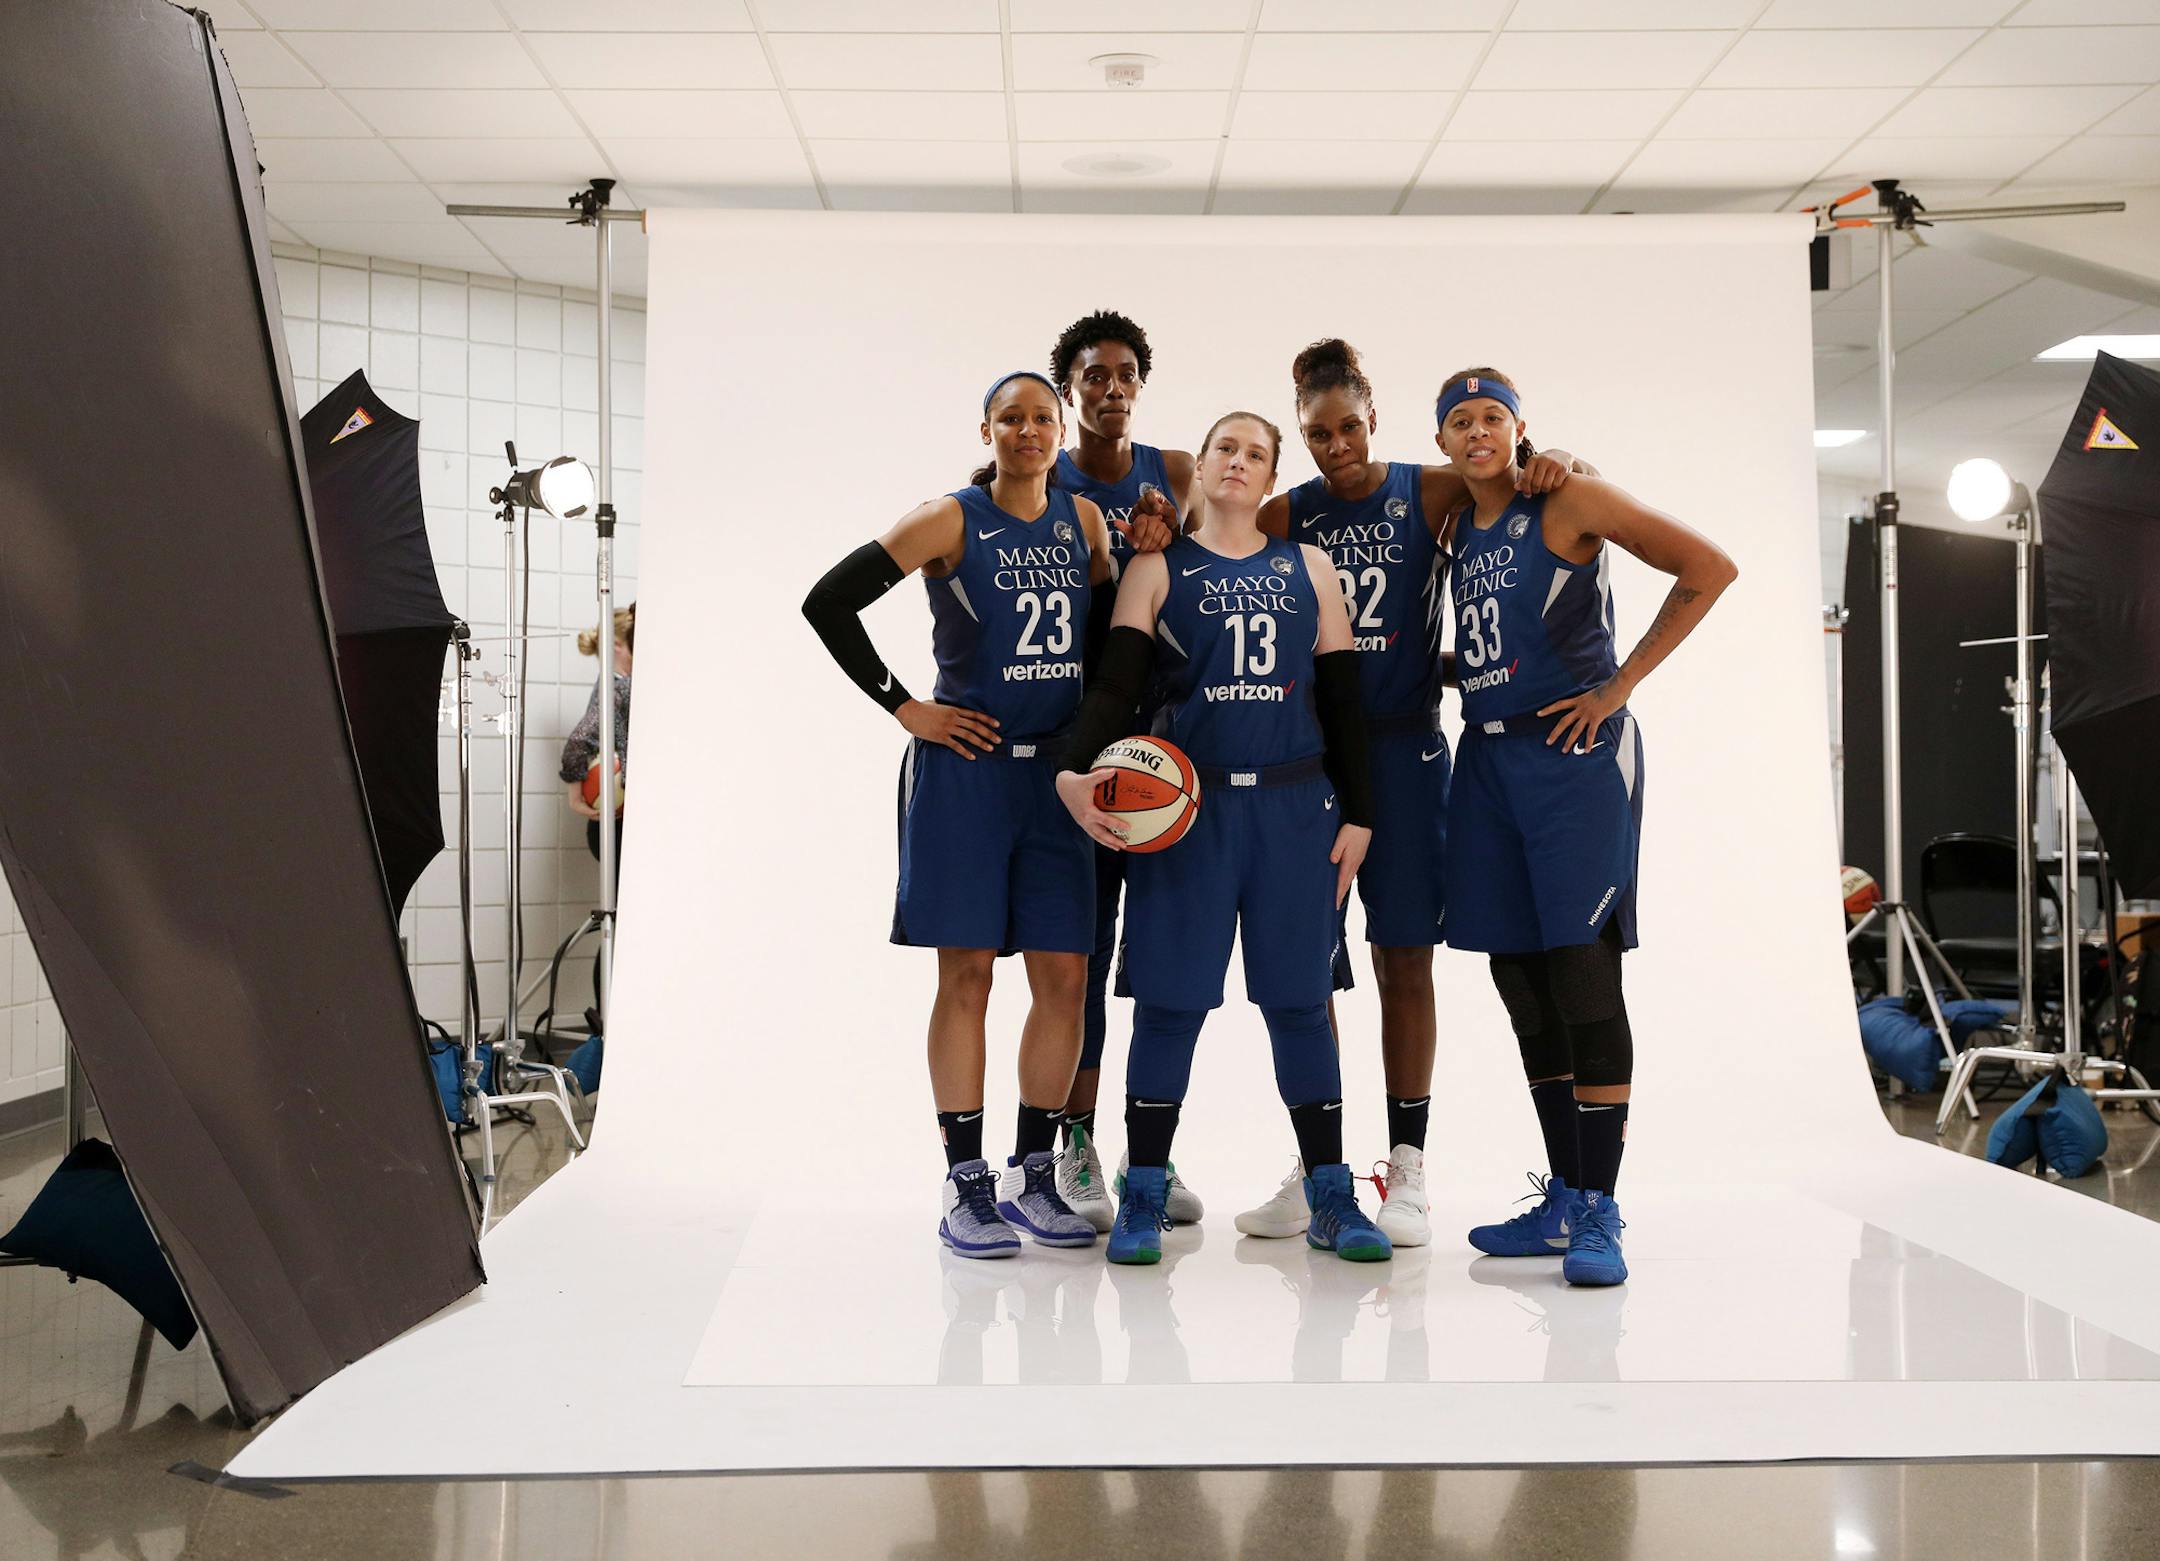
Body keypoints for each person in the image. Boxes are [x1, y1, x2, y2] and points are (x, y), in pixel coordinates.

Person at [801, 371, 1169, 1260]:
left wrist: (1160, 537)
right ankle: (965, 1185)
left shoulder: (1083, 523)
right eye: (1015, 417)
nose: (1032, 430)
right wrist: (905, 706)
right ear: (989, 429)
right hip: (964, 777)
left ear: (1059, 429)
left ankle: (1032, 1172)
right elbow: (827, 601)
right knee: (966, 979)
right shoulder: (948, 518)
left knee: (1067, 982)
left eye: (1044, 417)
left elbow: (1121, 637)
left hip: (1053, 781)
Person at [1237, 340, 1585, 1249]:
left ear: (1375, 420)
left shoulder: (1427, 490)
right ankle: (1324, 1172)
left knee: (1405, 961)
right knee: (1307, 975)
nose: (1338, 444)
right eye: (1319, 433)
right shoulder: (1286, 513)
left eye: (1350, 426)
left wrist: (1568, 460)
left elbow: (1516, 477)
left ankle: (1409, 1164)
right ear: (1304, 436)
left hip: (1406, 758)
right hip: (1312, 766)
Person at [1055, 411, 1390, 1267]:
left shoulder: (1309, 566)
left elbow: (1346, 701)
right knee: (1168, 1005)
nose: (1239, 462)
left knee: (1300, 1005)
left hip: (1294, 807)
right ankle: (1145, 1189)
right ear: (1195, 468)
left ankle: (1329, 1192)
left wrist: (1361, 813)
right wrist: (1069, 767)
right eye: (1225, 449)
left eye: (1256, 454)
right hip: (1189, 818)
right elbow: (1116, 688)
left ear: (1271, 477)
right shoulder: (1156, 569)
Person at [1435, 367, 1736, 1287]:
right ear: (1444, 441)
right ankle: (1566, 1191)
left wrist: (1620, 686)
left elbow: (1708, 566)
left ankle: (1602, 1207)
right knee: (1520, 980)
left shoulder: (1570, 496)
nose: (1478, 430)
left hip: (1572, 761)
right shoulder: (1456, 525)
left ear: (1522, 428)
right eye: (1460, 420)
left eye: (1494, 415)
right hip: (1485, 762)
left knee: (1583, 973)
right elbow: (1498, 646)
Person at [1043, 309, 1204, 1233]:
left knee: (1164, 947)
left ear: (1142, 383)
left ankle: (1152, 1145)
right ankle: (1076, 1139)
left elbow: (1221, 551)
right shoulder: (1037, 475)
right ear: (1069, 388)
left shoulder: (1175, 471)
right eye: (1092, 374)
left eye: (1125, 372)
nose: (1111, 387)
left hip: (1167, 740)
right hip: (1085, 740)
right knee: (1087, 951)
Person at [561, 601, 633, 1028]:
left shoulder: (616, 682)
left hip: (615, 823)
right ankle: (606, 1025)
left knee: (621, 919)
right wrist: (575, 795)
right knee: (619, 922)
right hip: (616, 825)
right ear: (622, 646)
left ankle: (607, 1022)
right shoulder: (618, 685)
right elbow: (578, 744)